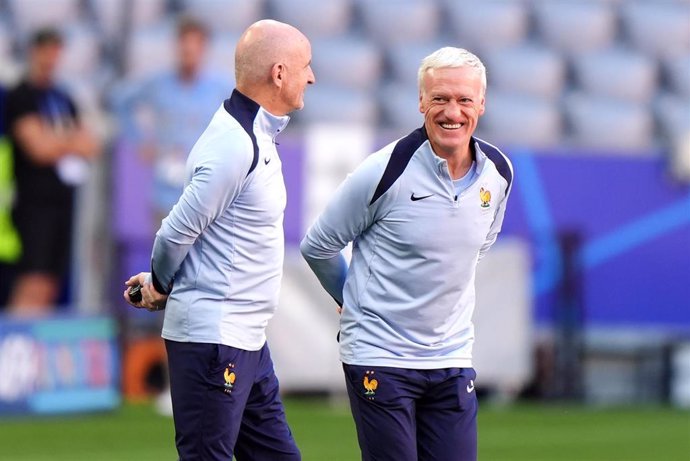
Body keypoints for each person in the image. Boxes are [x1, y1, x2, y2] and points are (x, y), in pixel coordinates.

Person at [300, 47, 513, 461]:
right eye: (440, 99)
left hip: (451, 357)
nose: (453, 112)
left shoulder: (499, 173)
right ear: (421, 102)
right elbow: (318, 245)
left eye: (464, 100)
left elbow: (477, 248)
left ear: (481, 105)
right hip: (379, 354)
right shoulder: (384, 171)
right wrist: (350, 299)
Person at [123, 19, 314, 460]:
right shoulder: (236, 145)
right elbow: (174, 232)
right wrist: (160, 284)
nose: (312, 76)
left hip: (245, 337)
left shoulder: (253, 135)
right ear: (279, 73)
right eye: (306, 66)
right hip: (215, 338)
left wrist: (161, 283)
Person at [4, 28, 100, 314]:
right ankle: (12, 344)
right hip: (33, 203)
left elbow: (89, 144)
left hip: (62, 202)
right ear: (34, 52)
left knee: (49, 283)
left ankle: (33, 349)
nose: (50, 59)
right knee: (31, 280)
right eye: (45, 51)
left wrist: (57, 141)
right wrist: (68, 142)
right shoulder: (22, 95)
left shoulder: (63, 98)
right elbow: (37, 148)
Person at [114, 15, 231, 226]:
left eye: (196, 45)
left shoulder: (220, 89)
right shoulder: (158, 84)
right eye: (185, 45)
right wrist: (139, 140)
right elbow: (120, 101)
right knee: (165, 252)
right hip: (166, 189)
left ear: (204, 48)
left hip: (205, 191)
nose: (189, 52)